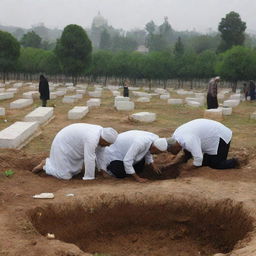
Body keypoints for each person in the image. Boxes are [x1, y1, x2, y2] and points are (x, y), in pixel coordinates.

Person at [32, 123, 118, 180]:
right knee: (64, 176)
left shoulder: (101, 134)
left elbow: (100, 154)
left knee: (76, 171)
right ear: (103, 139)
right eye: (108, 143)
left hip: (73, 146)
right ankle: (46, 165)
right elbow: (89, 158)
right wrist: (89, 178)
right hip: (63, 144)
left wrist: (103, 170)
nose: (108, 146)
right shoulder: (92, 138)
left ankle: (57, 166)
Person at [166, 119, 240, 170]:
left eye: (171, 150)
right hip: (211, 135)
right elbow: (187, 149)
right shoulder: (176, 136)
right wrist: (179, 161)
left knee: (216, 164)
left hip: (221, 136)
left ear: (175, 146)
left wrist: (188, 169)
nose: (170, 153)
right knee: (205, 163)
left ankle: (235, 162)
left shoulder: (189, 140)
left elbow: (198, 159)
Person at [97, 130, 168, 183]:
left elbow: (148, 150)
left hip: (127, 152)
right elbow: (127, 161)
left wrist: (152, 164)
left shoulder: (155, 139)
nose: (156, 154)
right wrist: (138, 178)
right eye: (157, 152)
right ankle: (110, 169)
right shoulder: (140, 143)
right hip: (113, 154)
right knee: (120, 172)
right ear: (155, 148)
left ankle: (130, 172)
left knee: (140, 167)